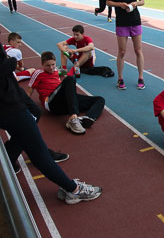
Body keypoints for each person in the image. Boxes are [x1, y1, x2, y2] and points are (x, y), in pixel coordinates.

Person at [0, 43, 102, 203]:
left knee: (35, 113)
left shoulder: (54, 72)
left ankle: (13, 153)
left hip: (13, 93)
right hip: (8, 104)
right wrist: (10, 62)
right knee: (39, 153)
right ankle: (72, 190)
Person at [28, 51, 105, 134]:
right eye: (48, 65)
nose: (51, 68)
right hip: (52, 103)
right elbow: (28, 93)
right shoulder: (37, 73)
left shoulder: (56, 70)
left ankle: (86, 119)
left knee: (100, 99)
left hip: (66, 104)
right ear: (42, 64)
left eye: (53, 64)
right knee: (70, 79)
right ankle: (73, 118)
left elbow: (65, 71)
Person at [106, 0, 146, 90]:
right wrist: (120, 5)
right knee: (122, 52)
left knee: (138, 50)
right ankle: (120, 78)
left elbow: (143, 0)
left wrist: (135, 3)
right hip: (122, 22)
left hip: (135, 20)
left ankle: (141, 77)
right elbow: (108, 2)